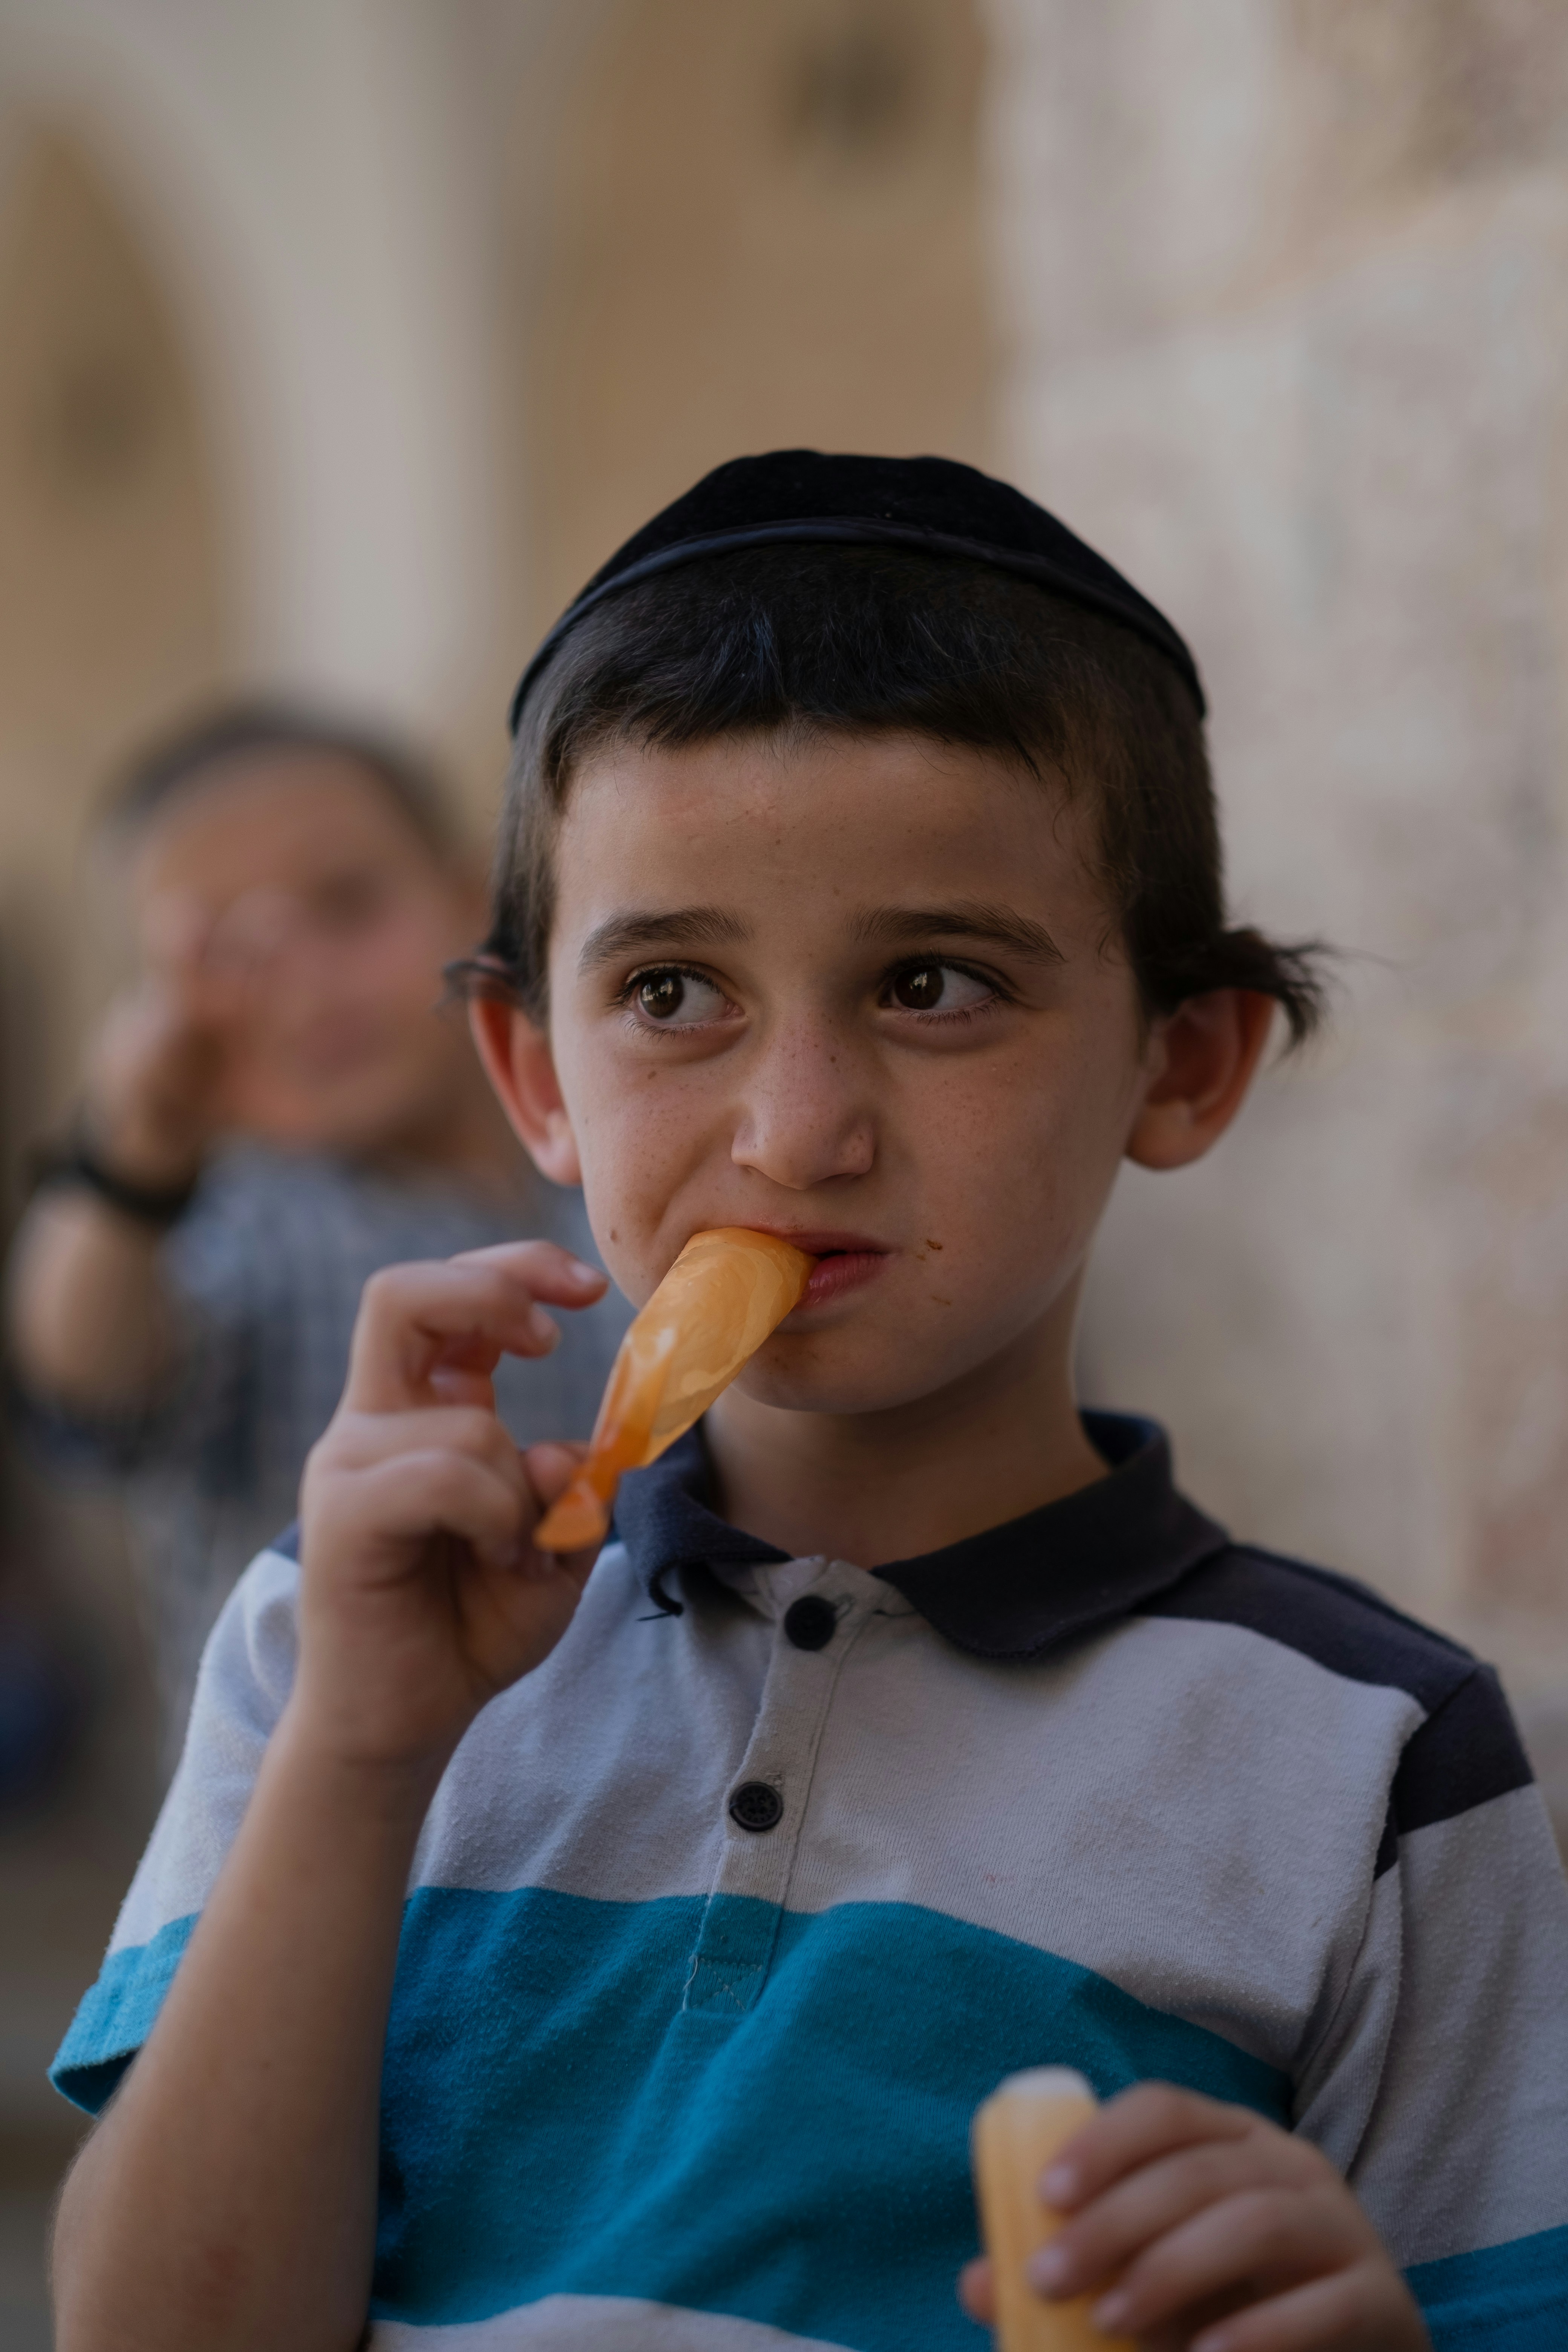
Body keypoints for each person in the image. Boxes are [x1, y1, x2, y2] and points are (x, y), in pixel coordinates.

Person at [47, 456, 1568, 2352]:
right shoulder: (333, 1650)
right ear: (532, 1075)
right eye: (674, 991)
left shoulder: (1372, 1763)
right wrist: (361, 1754)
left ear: (1179, 1064)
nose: (793, 1134)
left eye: (932, 983)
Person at [6, 706, 627, 1768]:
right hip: (319, 1865)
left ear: (474, 894)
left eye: (347, 904)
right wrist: (139, 1151)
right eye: (222, 951)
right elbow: (86, 1373)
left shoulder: (610, 1171)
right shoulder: (232, 1219)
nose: (304, 978)